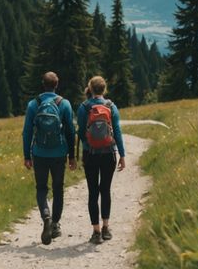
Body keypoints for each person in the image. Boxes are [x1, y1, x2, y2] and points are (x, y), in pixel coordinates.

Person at [22, 71, 77, 245]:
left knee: (41, 188)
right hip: (59, 153)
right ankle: (55, 224)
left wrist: (27, 156)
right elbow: (70, 132)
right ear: (57, 84)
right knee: (58, 188)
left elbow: (27, 132)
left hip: (39, 153)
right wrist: (72, 156)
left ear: (42, 84)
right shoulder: (64, 104)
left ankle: (46, 215)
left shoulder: (33, 104)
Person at [76, 76, 126, 245]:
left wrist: (88, 145)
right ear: (104, 89)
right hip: (108, 154)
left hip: (90, 155)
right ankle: (106, 228)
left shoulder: (84, 107)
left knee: (93, 192)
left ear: (90, 88)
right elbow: (117, 132)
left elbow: (81, 132)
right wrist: (122, 155)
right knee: (105, 190)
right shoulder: (111, 106)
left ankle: (96, 232)